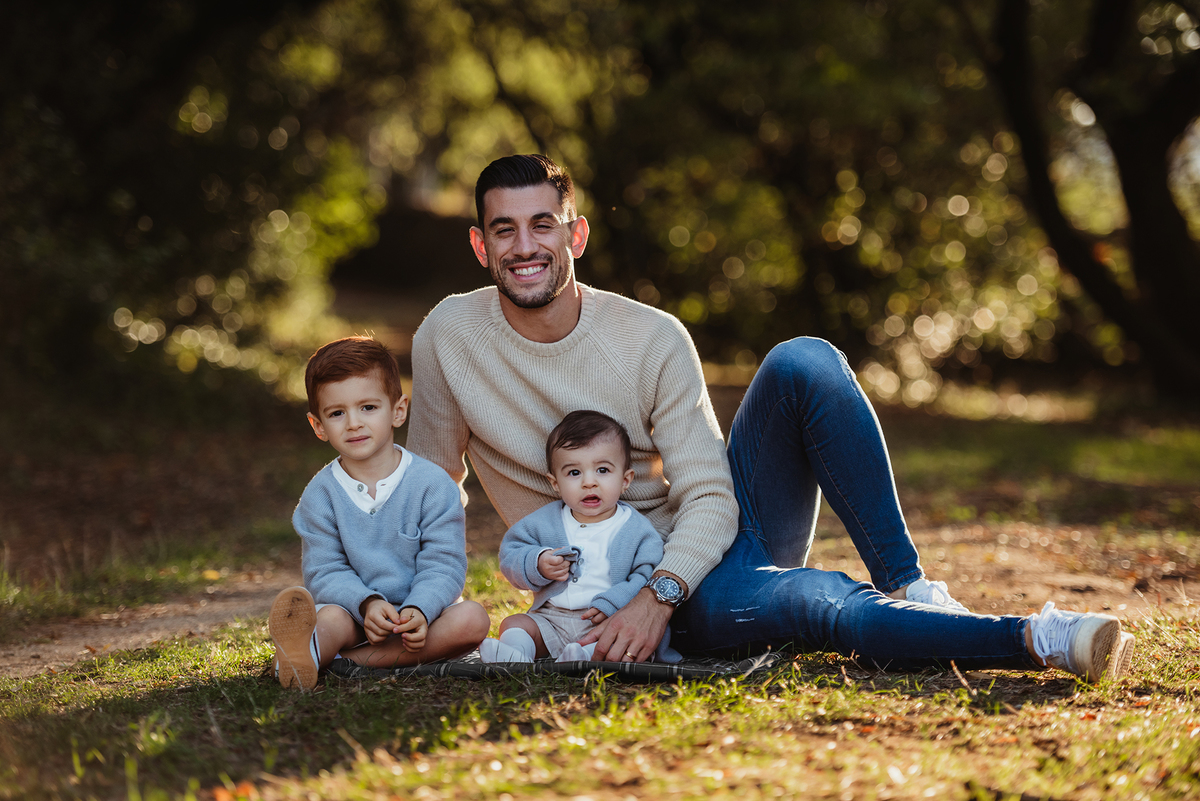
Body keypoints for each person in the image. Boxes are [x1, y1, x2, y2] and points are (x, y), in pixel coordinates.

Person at [407, 154, 1135, 682]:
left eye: (542, 225)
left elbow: (711, 493)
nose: (525, 247)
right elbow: (432, 489)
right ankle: (1039, 639)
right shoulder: (448, 336)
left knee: (803, 359)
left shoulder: (650, 335)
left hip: (695, 554)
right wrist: (402, 606)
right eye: (504, 231)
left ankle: (914, 588)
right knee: (820, 600)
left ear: (577, 235)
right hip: (640, 593)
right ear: (480, 244)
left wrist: (657, 596)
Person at [269, 336, 490, 690]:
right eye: (337, 413)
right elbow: (324, 571)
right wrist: (367, 603)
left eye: (368, 407)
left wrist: (419, 609)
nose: (354, 423)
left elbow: (444, 564)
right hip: (355, 617)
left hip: (423, 620)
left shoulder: (432, 484)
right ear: (319, 426)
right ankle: (307, 650)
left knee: (472, 619)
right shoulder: (320, 495)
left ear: (398, 410)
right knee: (330, 618)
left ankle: (339, 663)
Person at [480, 410, 679, 663]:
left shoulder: (636, 529)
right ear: (555, 483)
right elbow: (511, 554)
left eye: (603, 470)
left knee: (615, 639)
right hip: (551, 617)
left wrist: (613, 602)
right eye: (574, 473)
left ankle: (583, 656)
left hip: (607, 617)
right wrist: (537, 562)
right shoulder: (544, 521)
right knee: (516, 622)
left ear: (625, 479)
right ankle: (516, 654)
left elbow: (646, 576)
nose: (589, 482)